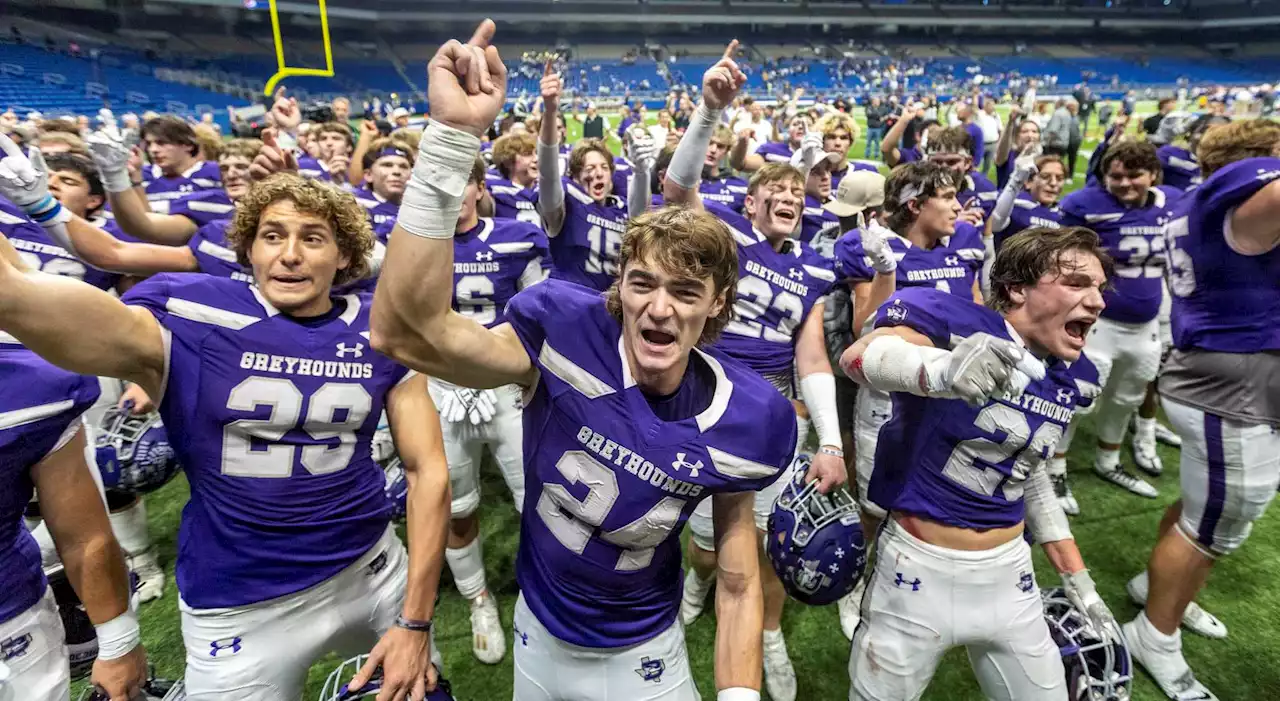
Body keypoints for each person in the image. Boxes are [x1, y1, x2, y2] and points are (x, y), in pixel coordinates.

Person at [372, 26, 797, 701]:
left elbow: (740, 580)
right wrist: (452, 137)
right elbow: (403, 333)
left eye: (685, 292)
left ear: (716, 305)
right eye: (642, 284)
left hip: (647, 646)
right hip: (539, 629)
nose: (658, 309)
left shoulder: (750, 417)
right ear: (618, 286)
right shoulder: (561, 332)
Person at [0, 141, 452, 700]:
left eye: (313, 238)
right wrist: (36, 213)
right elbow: (19, 300)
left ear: (344, 257)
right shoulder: (189, 312)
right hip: (238, 594)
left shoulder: (379, 330)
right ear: (247, 249)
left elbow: (426, 470)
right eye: (272, 236)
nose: (290, 255)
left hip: (372, 567)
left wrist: (415, 619)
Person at [839, 226, 1121, 701]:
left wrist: (1077, 576)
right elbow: (860, 357)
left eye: (1098, 288)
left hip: (1010, 573)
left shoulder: (1073, 374)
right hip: (917, 569)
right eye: (1077, 284)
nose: (1097, 301)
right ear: (1017, 287)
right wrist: (940, 371)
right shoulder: (951, 321)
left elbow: (1025, 474)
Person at [663, 62, 848, 699]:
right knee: (709, 545)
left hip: (769, 413)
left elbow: (815, 358)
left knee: (765, 542)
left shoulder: (813, 272)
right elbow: (676, 187)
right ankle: (696, 581)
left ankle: (767, 634)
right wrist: (710, 111)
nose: (790, 200)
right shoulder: (728, 235)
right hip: (703, 399)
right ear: (751, 201)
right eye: (777, 192)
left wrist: (830, 441)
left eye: (798, 195)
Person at [1125, 120, 1280, 701]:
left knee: (1205, 509)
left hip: (1222, 372)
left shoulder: (1201, 203)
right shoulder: (1239, 201)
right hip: (1229, 381)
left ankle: (1156, 589)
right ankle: (1153, 636)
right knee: (1217, 522)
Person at [831, 161, 985, 638]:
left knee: (942, 494)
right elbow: (865, 332)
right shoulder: (873, 246)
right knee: (876, 502)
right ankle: (854, 580)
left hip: (952, 395)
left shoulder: (963, 245)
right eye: (948, 197)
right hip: (891, 396)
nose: (959, 206)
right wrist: (886, 269)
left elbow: (979, 314)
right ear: (916, 205)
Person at [431, 157, 549, 666]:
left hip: (504, 387)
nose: (452, 195)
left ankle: (540, 591)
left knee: (538, 502)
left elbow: (541, 312)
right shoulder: (413, 244)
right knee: (458, 507)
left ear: (480, 189)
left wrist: (532, 380)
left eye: (462, 184)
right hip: (441, 389)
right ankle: (479, 599)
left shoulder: (517, 238)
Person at [0, 331, 150, 701]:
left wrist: (118, 642)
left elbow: (83, 537)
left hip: (11, 616)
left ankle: (146, 561)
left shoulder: (32, 382)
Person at [1054, 141, 1177, 502]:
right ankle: (1055, 469)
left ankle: (1108, 460)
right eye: (1115, 176)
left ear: (1152, 175)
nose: (1124, 183)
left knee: (1127, 398)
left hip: (1146, 325)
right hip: (1097, 325)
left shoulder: (1170, 205)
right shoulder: (1084, 206)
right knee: (1078, 398)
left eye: (1133, 175)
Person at [537, 59, 648, 292]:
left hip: (611, 306)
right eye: (588, 169)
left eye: (604, 168)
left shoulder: (621, 207)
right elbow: (547, 174)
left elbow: (641, 216)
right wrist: (550, 111)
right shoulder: (567, 205)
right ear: (575, 177)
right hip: (569, 302)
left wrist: (642, 169)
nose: (597, 173)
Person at [353, 136, 414, 240]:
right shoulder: (354, 206)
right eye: (387, 165)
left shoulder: (419, 209)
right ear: (368, 175)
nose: (397, 172)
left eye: (403, 166)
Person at [486, 131, 540, 225]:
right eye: (527, 154)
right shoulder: (495, 191)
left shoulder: (544, 190)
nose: (536, 159)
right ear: (507, 161)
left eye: (536, 153)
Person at [730, 114, 808, 173]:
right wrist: (742, 143)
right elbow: (740, 164)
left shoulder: (819, 155)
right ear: (787, 130)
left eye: (807, 124)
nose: (801, 127)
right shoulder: (771, 150)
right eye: (795, 124)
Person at [992, 105, 1041, 189]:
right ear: (1017, 136)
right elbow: (1002, 149)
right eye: (1025, 131)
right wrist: (1011, 122)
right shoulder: (1009, 155)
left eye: (1034, 131)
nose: (1030, 135)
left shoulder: (1040, 158)